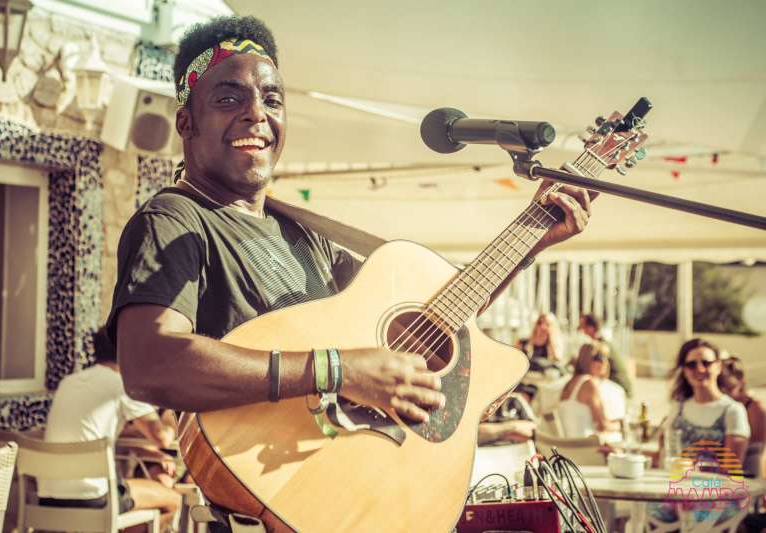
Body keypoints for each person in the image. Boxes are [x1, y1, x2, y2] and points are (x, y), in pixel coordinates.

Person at [108, 15, 594, 527]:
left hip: (346, 494)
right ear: (186, 123)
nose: (257, 114)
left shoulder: (302, 232)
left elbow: (430, 320)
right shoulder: (175, 218)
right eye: (229, 99)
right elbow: (150, 363)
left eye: (272, 100)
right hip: (268, 499)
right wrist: (338, 370)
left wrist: (528, 241)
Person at [38, 327, 181, 530]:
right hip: (93, 498)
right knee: (172, 500)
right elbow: (163, 437)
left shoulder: (68, 383)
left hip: (48, 497)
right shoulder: (123, 385)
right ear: (129, 354)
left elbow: (93, 433)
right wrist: (169, 417)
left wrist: (145, 451)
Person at [649, 338, 751, 526]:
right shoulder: (677, 409)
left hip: (720, 496)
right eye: (691, 364)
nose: (699, 369)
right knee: (641, 514)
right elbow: (664, 456)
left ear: (718, 366)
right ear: (684, 370)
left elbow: (730, 471)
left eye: (706, 362)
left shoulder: (732, 410)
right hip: (678, 494)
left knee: (687, 517)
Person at [557, 342, 620, 439]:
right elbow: (602, 426)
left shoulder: (570, 383)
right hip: (583, 447)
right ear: (587, 360)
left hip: (568, 446)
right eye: (599, 357)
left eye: (605, 357)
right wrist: (621, 426)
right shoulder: (589, 384)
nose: (604, 361)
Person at [720, 356, 765, 477]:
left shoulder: (754, 407)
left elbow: (754, 450)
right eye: (721, 388)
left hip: (748, 470)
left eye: (730, 388)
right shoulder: (723, 406)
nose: (726, 393)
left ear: (741, 381)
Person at [577, 313, 632, 397]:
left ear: (591, 328)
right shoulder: (602, 342)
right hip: (618, 387)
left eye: (583, 326)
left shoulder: (600, 346)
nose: (581, 330)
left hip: (619, 389)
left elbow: (596, 372)